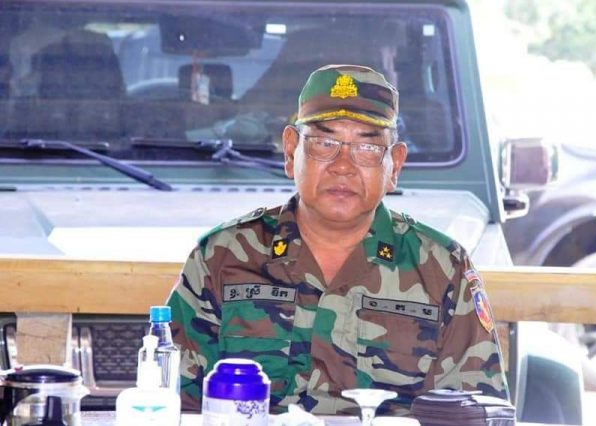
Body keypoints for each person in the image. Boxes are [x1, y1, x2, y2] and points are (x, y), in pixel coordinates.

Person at [167, 64, 508, 415]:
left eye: (367, 147)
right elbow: (173, 406)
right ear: (290, 152)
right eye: (324, 143)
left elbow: (476, 414)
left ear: (395, 165)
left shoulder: (442, 269)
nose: (342, 165)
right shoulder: (222, 256)